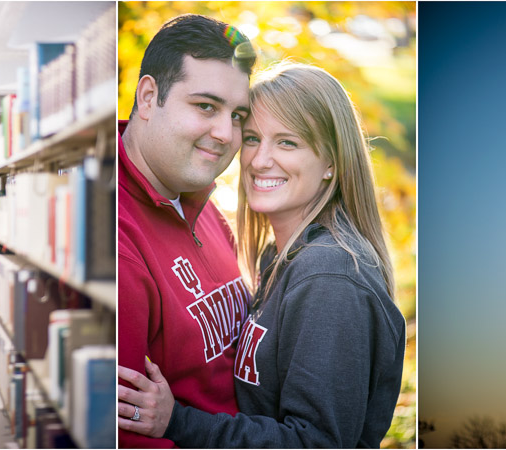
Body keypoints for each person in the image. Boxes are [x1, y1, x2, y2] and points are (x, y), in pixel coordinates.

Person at [118, 62, 407, 448]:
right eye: (252, 138)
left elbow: (316, 442)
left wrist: (177, 422)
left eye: (287, 142)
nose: (259, 160)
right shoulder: (284, 255)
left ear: (331, 163)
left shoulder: (329, 277)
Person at [117, 13, 256, 448]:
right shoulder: (115, 244)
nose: (225, 133)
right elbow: (126, 433)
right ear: (147, 97)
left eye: (237, 115)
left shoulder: (200, 203)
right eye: (205, 106)